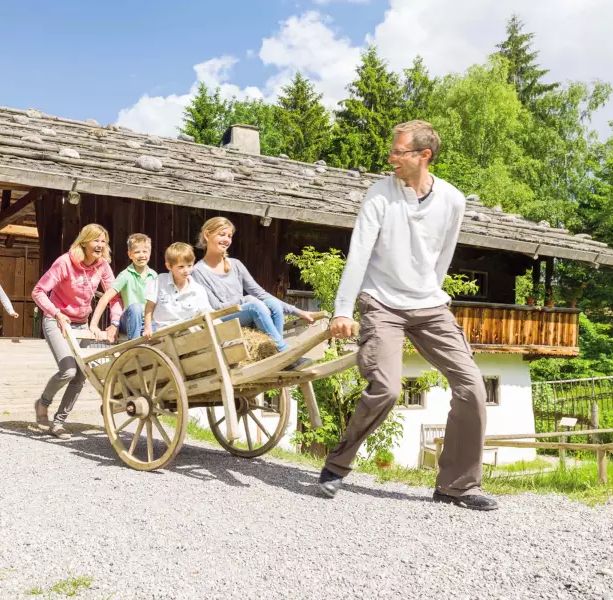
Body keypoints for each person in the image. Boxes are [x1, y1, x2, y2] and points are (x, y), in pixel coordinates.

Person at [320, 120, 496, 511]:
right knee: (386, 389)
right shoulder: (380, 194)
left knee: (472, 388)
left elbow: (443, 256)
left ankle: (458, 486)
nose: (391, 158)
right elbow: (359, 252)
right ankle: (338, 463)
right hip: (382, 302)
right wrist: (343, 309)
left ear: (423, 155)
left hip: (429, 305)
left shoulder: (452, 200)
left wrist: (430, 294)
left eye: (399, 152)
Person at [31, 224, 122, 438]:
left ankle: (58, 423)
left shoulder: (102, 265)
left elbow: (115, 296)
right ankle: (43, 402)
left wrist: (114, 322)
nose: (100, 245)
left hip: (81, 324)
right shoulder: (65, 262)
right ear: (84, 242)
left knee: (81, 376)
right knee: (68, 371)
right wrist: (56, 313)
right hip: (57, 321)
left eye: (103, 241)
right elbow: (38, 291)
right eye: (96, 240)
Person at [192, 216, 315, 370]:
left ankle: (276, 355)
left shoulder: (236, 265)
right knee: (254, 306)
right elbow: (215, 307)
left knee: (273, 303)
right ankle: (284, 353)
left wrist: (298, 312)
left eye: (229, 236)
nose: (226, 240)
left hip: (242, 313)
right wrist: (245, 301)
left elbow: (260, 293)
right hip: (222, 319)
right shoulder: (198, 271)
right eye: (222, 234)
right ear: (207, 235)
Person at [89, 233, 157, 342]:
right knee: (136, 308)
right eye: (137, 252)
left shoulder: (154, 275)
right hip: (130, 319)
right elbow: (106, 298)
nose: (141, 255)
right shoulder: (125, 275)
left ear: (150, 253)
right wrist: (94, 324)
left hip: (148, 322)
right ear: (130, 254)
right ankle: (134, 347)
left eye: (145, 251)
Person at [142, 242, 212, 337]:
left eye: (189, 265)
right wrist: (148, 328)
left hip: (191, 328)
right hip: (167, 331)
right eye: (181, 267)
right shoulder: (160, 281)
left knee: (207, 314)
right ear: (169, 266)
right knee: (192, 327)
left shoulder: (198, 289)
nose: (186, 270)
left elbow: (207, 312)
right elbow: (149, 307)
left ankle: (227, 340)